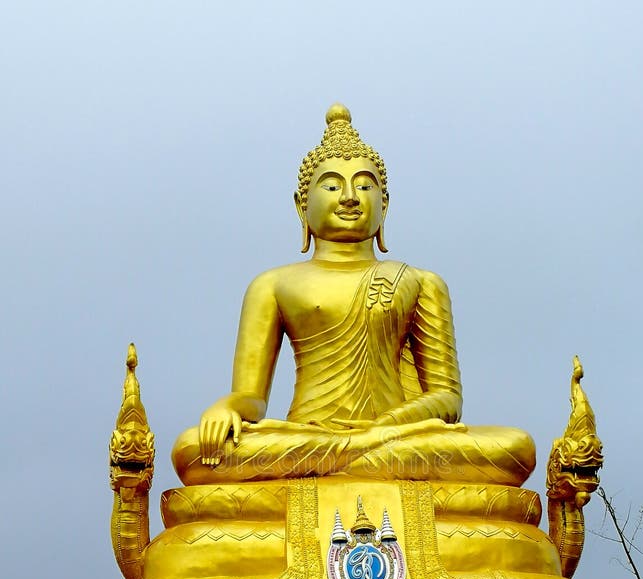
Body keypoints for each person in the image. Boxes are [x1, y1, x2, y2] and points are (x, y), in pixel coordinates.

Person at [172, 104, 534, 486]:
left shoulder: (419, 281)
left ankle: (343, 459)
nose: (349, 197)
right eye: (331, 186)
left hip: (394, 436)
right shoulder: (273, 284)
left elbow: (446, 398)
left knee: (516, 448)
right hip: (308, 437)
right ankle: (354, 458)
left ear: (385, 205)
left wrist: (383, 428)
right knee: (192, 449)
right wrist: (227, 406)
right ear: (301, 206)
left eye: (364, 186)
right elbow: (253, 399)